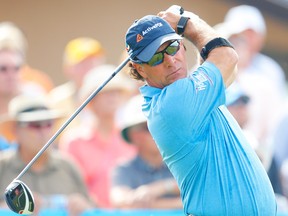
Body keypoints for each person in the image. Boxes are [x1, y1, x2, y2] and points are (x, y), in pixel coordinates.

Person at [124, 5, 276, 215]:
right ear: (140, 68)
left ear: (181, 46)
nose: (169, 60)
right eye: (156, 57)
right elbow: (227, 56)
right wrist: (187, 23)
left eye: (171, 47)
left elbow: (225, 72)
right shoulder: (174, 102)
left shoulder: (182, 95)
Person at [214, 5, 287, 174]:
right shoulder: (214, 70)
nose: (244, 40)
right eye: (236, 37)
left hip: (259, 155)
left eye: (249, 34)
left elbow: (274, 125)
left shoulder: (268, 73)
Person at [0, 94, 95, 215]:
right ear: (15, 130)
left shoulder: (68, 166)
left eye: (48, 124)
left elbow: (93, 209)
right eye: (35, 125)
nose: (44, 131)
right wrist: (9, 211)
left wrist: (84, 207)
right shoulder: (2, 166)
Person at [59, 64, 136, 208]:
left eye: (116, 92)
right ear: (91, 101)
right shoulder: (74, 141)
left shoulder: (130, 136)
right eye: (106, 92)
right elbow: (71, 188)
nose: (112, 97)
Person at [110, 95, 182, 209]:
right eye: (148, 127)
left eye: (161, 126)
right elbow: (122, 201)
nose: (159, 132)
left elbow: (203, 193)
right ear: (134, 136)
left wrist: (162, 187)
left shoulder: (182, 163)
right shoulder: (124, 169)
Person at [48, 37, 106, 128]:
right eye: (83, 64)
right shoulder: (57, 100)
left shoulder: (112, 96)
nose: (90, 69)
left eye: (93, 62)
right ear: (68, 68)